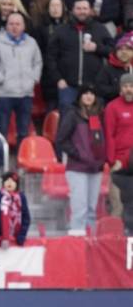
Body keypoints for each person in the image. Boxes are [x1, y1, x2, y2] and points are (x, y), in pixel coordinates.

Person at [0, 12, 42, 169]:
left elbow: (38, 63)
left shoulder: (32, 43)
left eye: (18, 24)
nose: (14, 27)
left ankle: (21, 164)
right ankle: (1, 165)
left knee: (23, 132)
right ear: (6, 25)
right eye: (11, 24)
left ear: (23, 26)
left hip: (25, 94)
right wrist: (1, 80)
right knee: (1, 131)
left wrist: (33, 79)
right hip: (4, 94)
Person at [47, 0, 114, 113]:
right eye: (78, 8)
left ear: (90, 10)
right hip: (68, 86)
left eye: (85, 8)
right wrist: (58, 79)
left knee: (93, 124)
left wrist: (97, 48)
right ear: (72, 10)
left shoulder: (100, 29)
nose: (82, 11)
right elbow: (50, 57)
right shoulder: (61, 30)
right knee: (67, 122)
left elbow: (113, 52)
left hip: (93, 88)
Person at [55, 84, 106, 233]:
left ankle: (91, 241)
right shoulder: (72, 114)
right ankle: (77, 240)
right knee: (80, 208)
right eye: (85, 93)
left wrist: (102, 159)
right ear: (80, 97)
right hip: (77, 168)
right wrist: (78, 154)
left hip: (96, 168)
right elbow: (61, 139)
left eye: (91, 93)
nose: (89, 96)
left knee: (92, 209)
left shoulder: (100, 115)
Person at [105, 73, 133, 226]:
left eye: (131, 86)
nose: (129, 89)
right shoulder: (112, 107)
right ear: (121, 89)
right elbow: (109, 135)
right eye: (125, 86)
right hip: (120, 162)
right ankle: (115, 241)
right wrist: (111, 160)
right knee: (117, 205)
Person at [33, 0, 68, 109]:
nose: (55, 9)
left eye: (58, 5)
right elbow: (38, 51)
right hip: (48, 74)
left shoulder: (70, 27)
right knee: (51, 107)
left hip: (67, 74)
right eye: (52, 6)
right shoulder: (40, 28)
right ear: (48, 9)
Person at [0, 171, 31, 247]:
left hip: (17, 239)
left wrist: (22, 235)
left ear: (17, 184)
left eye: (12, 181)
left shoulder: (21, 197)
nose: (9, 183)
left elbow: (26, 218)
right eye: (7, 180)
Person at [96, 33, 133, 105]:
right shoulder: (107, 69)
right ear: (116, 52)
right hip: (113, 107)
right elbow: (99, 89)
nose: (124, 52)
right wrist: (119, 90)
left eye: (128, 49)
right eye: (120, 49)